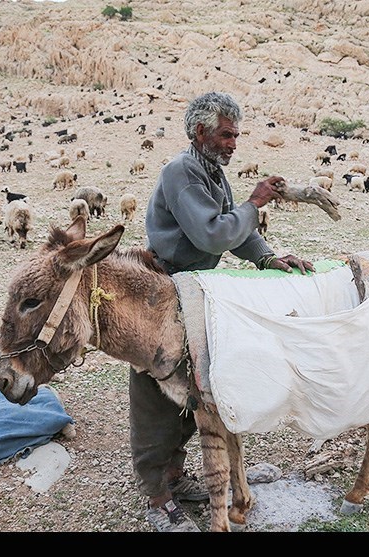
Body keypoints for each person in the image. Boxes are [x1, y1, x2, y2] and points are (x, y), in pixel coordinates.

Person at [134, 91, 315, 532]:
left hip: (193, 289)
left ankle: (176, 477)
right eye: (226, 135)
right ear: (201, 133)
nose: (234, 143)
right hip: (164, 290)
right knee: (157, 392)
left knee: (195, 386)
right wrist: (254, 204)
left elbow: (232, 228)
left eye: (236, 135)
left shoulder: (210, 171)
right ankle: (157, 497)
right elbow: (215, 235)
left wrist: (267, 257)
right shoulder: (182, 172)